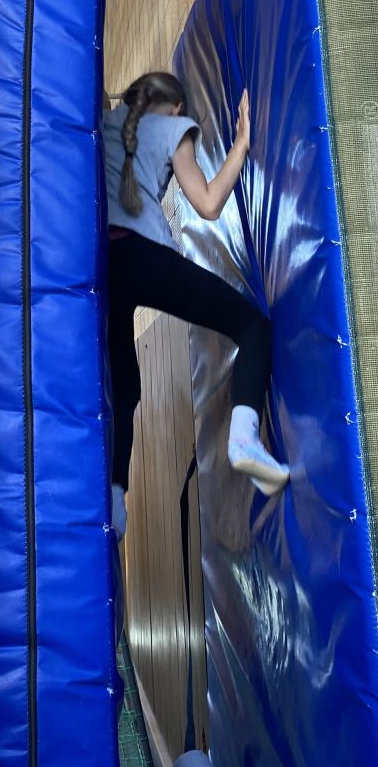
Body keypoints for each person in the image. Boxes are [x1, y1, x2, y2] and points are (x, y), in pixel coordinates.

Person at [104, 72, 289, 539]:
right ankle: (243, 437)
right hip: (148, 257)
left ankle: (115, 501)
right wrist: (241, 144)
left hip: (101, 268)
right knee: (251, 326)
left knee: (124, 389)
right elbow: (207, 204)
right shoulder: (175, 128)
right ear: (175, 106)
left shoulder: (102, 125)